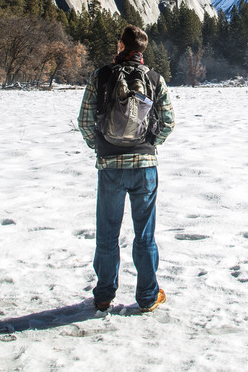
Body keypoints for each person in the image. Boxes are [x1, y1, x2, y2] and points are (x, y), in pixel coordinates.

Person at [77, 25, 174, 313]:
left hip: (110, 167)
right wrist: (149, 143)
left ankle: (104, 296)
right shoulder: (156, 79)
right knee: (144, 234)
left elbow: (84, 121)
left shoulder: (101, 75)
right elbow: (168, 122)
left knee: (107, 232)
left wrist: (101, 146)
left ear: (121, 45)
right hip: (145, 167)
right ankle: (147, 297)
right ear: (142, 50)